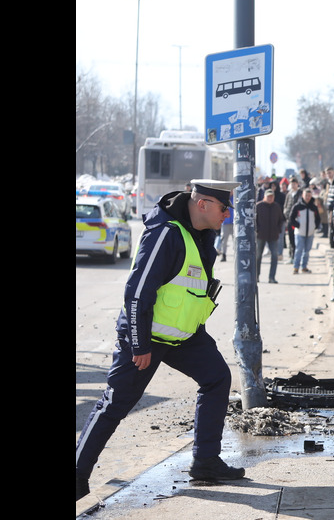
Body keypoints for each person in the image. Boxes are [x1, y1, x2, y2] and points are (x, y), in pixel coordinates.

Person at [76, 179, 245, 501]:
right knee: (115, 405)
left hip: (184, 336)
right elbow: (137, 292)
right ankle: (77, 474)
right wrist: (139, 344)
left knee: (217, 378)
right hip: (147, 337)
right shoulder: (166, 233)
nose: (228, 214)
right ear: (204, 204)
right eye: (225, 208)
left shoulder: (202, 234)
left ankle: (206, 461)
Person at [256, 188, 285, 283]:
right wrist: (257, 230)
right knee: (258, 256)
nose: (270, 198)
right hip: (261, 235)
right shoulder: (258, 206)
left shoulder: (276, 206)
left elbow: (281, 220)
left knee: (274, 256)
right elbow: (253, 220)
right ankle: (256, 276)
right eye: (268, 196)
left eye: (271, 197)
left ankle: (271, 277)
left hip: (273, 235)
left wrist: (278, 230)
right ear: (264, 196)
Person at [289, 187, 320, 274]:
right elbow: (291, 218)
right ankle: (296, 267)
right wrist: (297, 225)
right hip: (299, 232)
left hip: (310, 232)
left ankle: (304, 267)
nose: (308, 197)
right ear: (303, 195)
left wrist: (314, 226)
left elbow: (318, 219)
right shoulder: (297, 206)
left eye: (309, 195)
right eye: (306, 195)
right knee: (299, 250)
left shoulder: (313, 207)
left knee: (307, 251)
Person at [282, 177, 303, 260]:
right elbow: (286, 206)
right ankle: (292, 255)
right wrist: (286, 215)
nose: (293, 185)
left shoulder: (300, 193)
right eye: (291, 184)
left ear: (297, 184)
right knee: (291, 239)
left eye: (294, 184)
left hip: (298, 219)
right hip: (290, 219)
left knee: (298, 239)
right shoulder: (289, 194)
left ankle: (297, 256)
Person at [217, 195, 234, 262]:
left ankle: (236, 255)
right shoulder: (224, 198)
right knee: (224, 240)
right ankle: (224, 255)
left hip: (234, 223)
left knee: (235, 240)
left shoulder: (235, 198)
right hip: (225, 222)